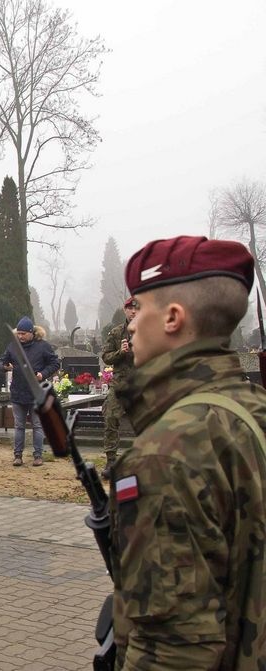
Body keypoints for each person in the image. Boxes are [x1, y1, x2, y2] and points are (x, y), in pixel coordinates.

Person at [110, 235, 266, 669]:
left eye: (139, 308)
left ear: (173, 318)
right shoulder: (253, 409)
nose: (131, 324)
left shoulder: (165, 454)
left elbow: (174, 650)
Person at [0, 317, 60, 467]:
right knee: (19, 426)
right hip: (18, 392)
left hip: (36, 393)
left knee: (37, 426)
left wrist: (43, 374)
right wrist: (4, 366)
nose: (20, 336)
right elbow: (1, 361)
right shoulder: (13, 347)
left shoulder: (43, 346)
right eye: (18, 333)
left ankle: (38, 456)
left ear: (31, 333)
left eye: (23, 334)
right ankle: (18, 455)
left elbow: (55, 363)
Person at [99, 297, 138, 479]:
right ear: (125, 310)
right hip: (120, 384)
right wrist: (120, 353)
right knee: (110, 416)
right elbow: (106, 357)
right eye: (130, 308)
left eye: (137, 308)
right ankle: (111, 461)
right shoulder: (116, 333)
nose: (133, 311)